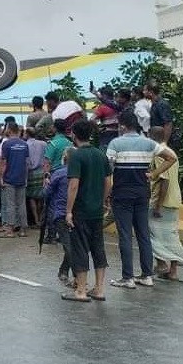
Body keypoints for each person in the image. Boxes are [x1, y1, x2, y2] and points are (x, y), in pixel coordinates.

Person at [107, 111, 175, 289]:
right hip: (142, 192)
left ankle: (127, 277)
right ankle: (147, 275)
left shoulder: (116, 143)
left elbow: (108, 168)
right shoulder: (149, 143)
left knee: (125, 236)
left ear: (122, 125)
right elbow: (171, 158)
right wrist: (154, 174)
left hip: (122, 193)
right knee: (143, 235)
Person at [61, 119, 112, 303]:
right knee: (98, 247)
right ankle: (99, 289)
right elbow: (108, 182)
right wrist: (103, 200)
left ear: (74, 135)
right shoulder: (100, 154)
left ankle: (81, 290)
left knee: (80, 249)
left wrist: (68, 211)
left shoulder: (76, 156)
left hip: (81, 210)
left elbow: (73, 185)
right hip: (96, 210)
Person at [147, 127, 183, 280]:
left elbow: (164, 180)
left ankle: (161, 264)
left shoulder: (159, 153)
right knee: (171, 236)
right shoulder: (170, 151)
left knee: (153, 235)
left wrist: (157, 205)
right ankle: (173, 271)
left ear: (150, 137)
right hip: (174, 198)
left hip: (162, 200)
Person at [43, 148, 74, 285]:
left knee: (70, 247)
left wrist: (47, 185)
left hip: (61, 214)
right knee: (72, 246)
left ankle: (67, 272)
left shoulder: (59, 173)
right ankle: (68, 272)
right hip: (73, 214)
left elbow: (46, 193)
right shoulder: (79, 174)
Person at [0, 122, 29, 237]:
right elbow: (26, 163)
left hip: (9, 177)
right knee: (21, 204)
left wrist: (1, 177)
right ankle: (23, 230)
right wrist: (25, 177)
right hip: (21, 177)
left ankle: (10, 230)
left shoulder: (6, 144)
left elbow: (3, 162)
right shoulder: (24, 144)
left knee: (10, 204)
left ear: (9, 130)